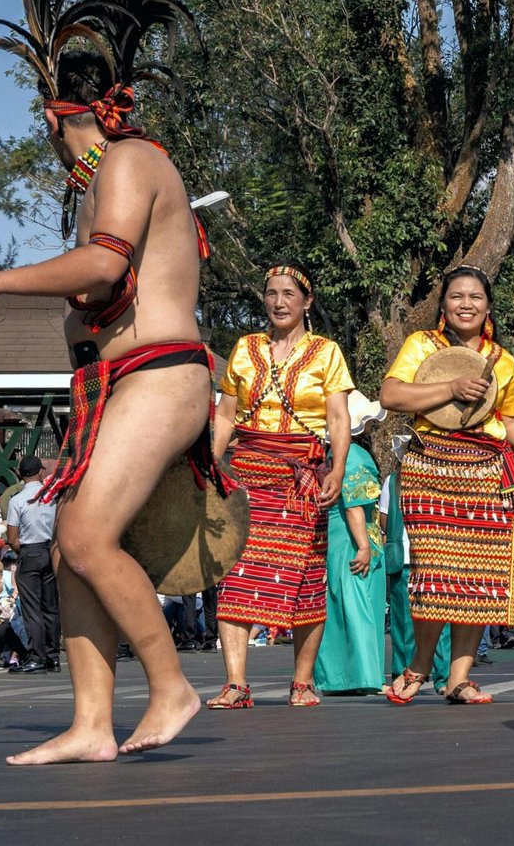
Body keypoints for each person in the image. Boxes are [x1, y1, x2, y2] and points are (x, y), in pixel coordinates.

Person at [0, 0, 225, 762]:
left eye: (53, 128)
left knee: (89, 534)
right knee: (69, 544)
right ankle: (93, 722)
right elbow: (99, 290)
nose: (54, 147)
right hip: (122, 382)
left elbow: (105, 264)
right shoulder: (112, 174)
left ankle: (171, 685)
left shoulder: (127, 159)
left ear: (75, 115)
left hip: (162, 377)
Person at [380, 265, 514, 706]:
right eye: (457, 296)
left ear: (488, 306)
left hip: (485, 470)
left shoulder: (503, 359)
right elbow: (392, 396)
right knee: (436, 573)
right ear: (443, 305)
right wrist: (451, 386)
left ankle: (459, 679)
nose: (466, 304)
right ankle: (418, 666)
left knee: (478, 576)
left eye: (475, 296)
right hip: (429, 466)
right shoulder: (421, 345)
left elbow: (510, 417)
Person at [208, 266, 354, 710]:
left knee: (307, 577)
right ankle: (236, 684)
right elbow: (226, 415)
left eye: (289, 294)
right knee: (235, 574)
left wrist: (339, 468)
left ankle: (302, 682)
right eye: (271, 293)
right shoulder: (245, 349)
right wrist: (210, 466)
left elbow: (337, 418)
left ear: (306, 302)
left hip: (302, 475)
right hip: (248, 472)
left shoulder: (326, 353)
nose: (279, 301)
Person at [314, 394, 387, 695]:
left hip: (334, 539)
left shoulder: (331, 457)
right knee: (360, 607)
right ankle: (363, 675)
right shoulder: (356, 456)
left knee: (336, 607)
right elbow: (355, 505)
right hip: (353, 538)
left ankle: (337, 677)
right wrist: (364, 546)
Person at [376, 435, 451, 688]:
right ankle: (403, 674)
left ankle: (444, 677)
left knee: (440, 620)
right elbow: (384, 518)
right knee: (402, 623)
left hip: (433, 558)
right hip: (404, 559)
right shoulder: (392, 482)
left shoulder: (437, 479)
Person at [5, 456, 60, 674]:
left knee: (31, 608)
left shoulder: (17, 500)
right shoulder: (51, 496)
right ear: (39, 472)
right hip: (50, 550)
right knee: (50, 606)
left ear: (20, 474)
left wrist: (23, 552)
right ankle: (53, 656)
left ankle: (37, 656)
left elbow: (12, 537)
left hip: (30, 551)